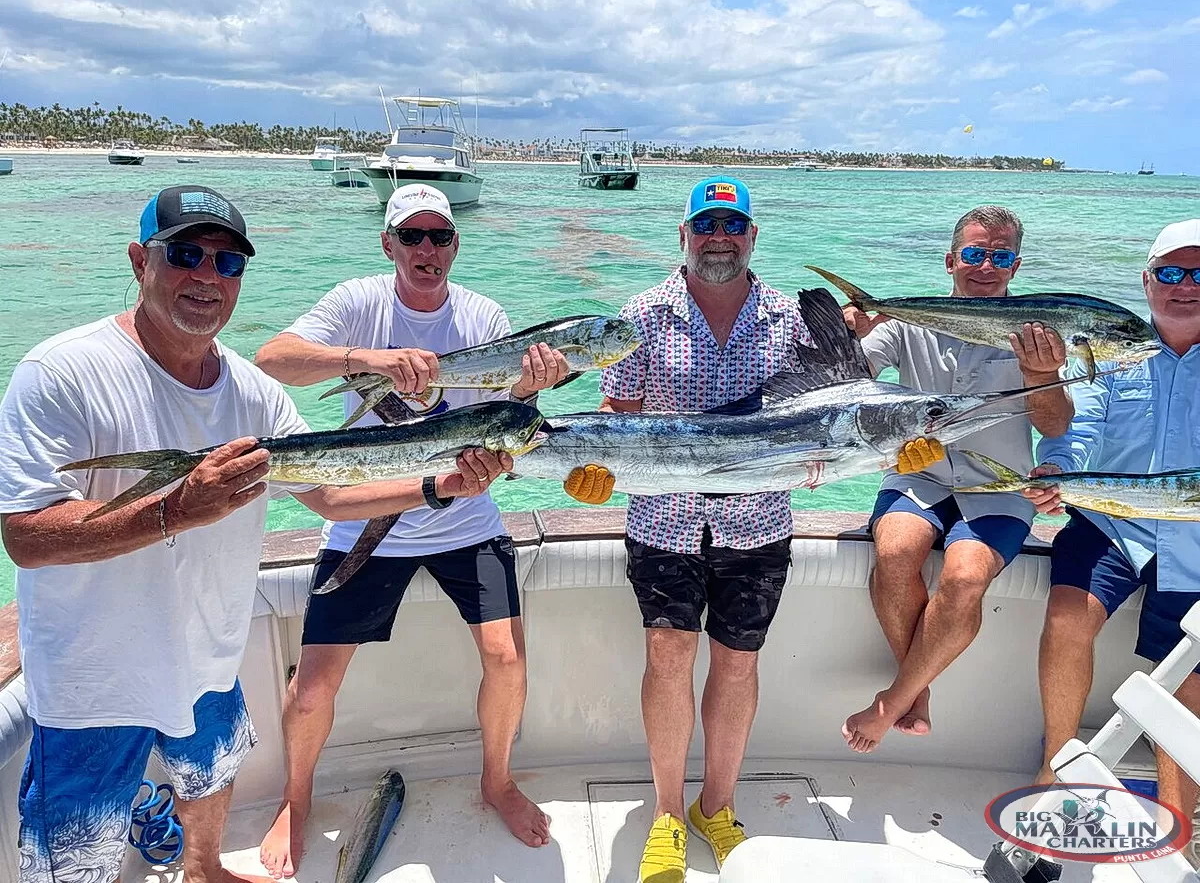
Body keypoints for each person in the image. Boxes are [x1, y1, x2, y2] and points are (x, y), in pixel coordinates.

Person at [0, 185, 511, 883]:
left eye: (227, 263)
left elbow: (330, 496)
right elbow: (27, 536)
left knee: (210, 780)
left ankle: (207, 872)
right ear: (138, 260)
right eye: (185, 254)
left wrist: (438, 486)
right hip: (95, 684)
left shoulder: (251, 392)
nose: (207, 277)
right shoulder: (61, 371)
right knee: (73, 860)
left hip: (208, 659)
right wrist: (174, 512)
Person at [562, 176, 943, 882]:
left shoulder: (795, 319)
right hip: (663, 520)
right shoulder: (639, 313)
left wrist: (903, 442)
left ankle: (719, 806)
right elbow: (615, 419)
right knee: (667, 658)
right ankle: (670, 816)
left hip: (758, 523)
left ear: (752, 237)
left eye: (732, 225)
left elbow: (847, 411)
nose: (719, 236)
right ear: (683, 235)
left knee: (737, 663)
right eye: (705, 223)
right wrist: (597, 471)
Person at [253, 184, 567, 876]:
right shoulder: (357, 302)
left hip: (465, 515)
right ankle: (294, 799)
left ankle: (497, 781)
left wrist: (529, 390)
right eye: (413, 236)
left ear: (455, 245)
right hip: (367, 511)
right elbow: (273, 360)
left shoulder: (484, 314)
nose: (429, 249)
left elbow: (507, 417)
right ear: (389, 244)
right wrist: (367, 359)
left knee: (508, 659)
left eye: (441, 236)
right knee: (313, 686)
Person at [839, 205, 1074, 753]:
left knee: (965, 579)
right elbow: (850, 379)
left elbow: (1056, 423)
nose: (985, 266)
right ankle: (915, 695)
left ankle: (895, 701)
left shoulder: (1036, 333)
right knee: (896, 554)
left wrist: (1042, 374)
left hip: (997, 487)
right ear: (951, 261)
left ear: (1016, 266)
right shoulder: (908, 322)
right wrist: (852, 331)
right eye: (974, 253)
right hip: (918, 477)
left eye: (1000, 256)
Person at [1026, 219, 1200, 823]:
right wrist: (1055, 471)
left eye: (1199, 274)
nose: (1185, 285)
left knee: (1187, 676)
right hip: (1113, 525)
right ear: (1148, 282)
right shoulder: (1111, 351)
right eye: (1172, 273)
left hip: (1196, 538)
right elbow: (1079, 430)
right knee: (1068, 617)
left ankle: (1176, 825)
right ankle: (1054, 767)